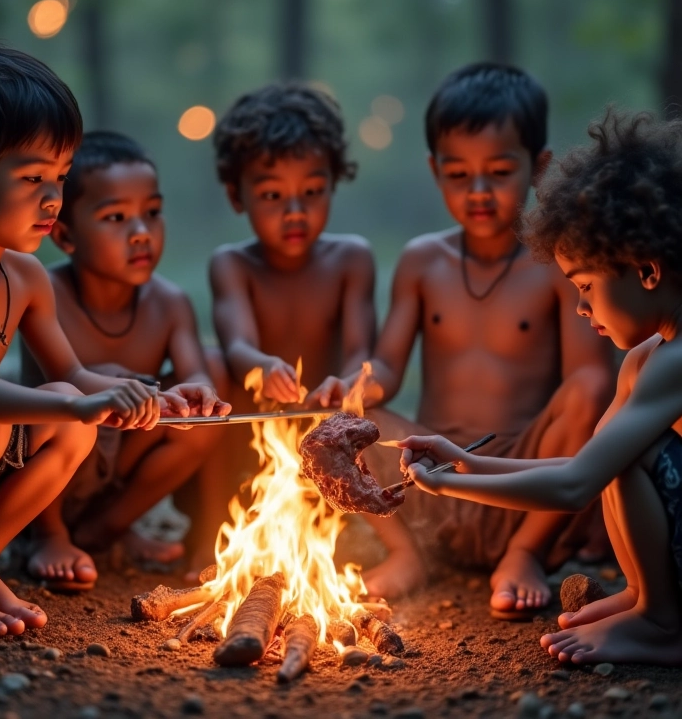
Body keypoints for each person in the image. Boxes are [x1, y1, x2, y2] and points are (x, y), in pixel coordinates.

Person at [0, 34, 194, 639]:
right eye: (33, 176)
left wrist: (148, 397)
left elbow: (79, 376)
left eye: (61, 177)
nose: (53, 199)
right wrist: (74, 400)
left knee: (77, 419)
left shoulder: (26, 273)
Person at [396, 108, 682, 664]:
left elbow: (577, 484)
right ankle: (645, 596)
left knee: (629, 455)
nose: (579, 308)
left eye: (586, 287)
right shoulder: (647, 358)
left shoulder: (676, 362)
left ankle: (663, 625)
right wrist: (463, 463)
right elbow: (580, 464)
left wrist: (448, 486)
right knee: (615, 450)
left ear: (647, 271)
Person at [357, 63, 615, 616]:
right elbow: (387, 367)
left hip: (524, 482)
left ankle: (524, 553)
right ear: (435, 171)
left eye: (498, 172)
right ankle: (408, 551)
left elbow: (589, 378)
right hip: (428, 479)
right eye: (459, 175)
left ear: (538, 168)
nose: (478, 192)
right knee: (344, 419)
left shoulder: (556, 264)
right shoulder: (422, 261)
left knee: (592, 390)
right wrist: (353, 388)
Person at [20, 131, 231, 590]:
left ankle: (108, 529)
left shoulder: (170, 302)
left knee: (206, 402)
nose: (141, 233)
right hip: (48, 473)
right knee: (81, 391)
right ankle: (49, 536)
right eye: (116, 217)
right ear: (66, 234)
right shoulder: (44, 294)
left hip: (120, 472)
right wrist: (131, 388)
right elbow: (52, 389)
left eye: (151, 213)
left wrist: (195, 392)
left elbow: (197, 372)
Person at [210, 83, 376, 413]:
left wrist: (346, 386)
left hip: (329, 420)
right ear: (235, 196)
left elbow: (361, 353)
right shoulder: (233, 265)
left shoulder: (352, 260)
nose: (296, 212)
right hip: (255, 430)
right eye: (273, 195)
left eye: (312, 191)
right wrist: (263, 367)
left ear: (333, 183)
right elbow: (237, 345)